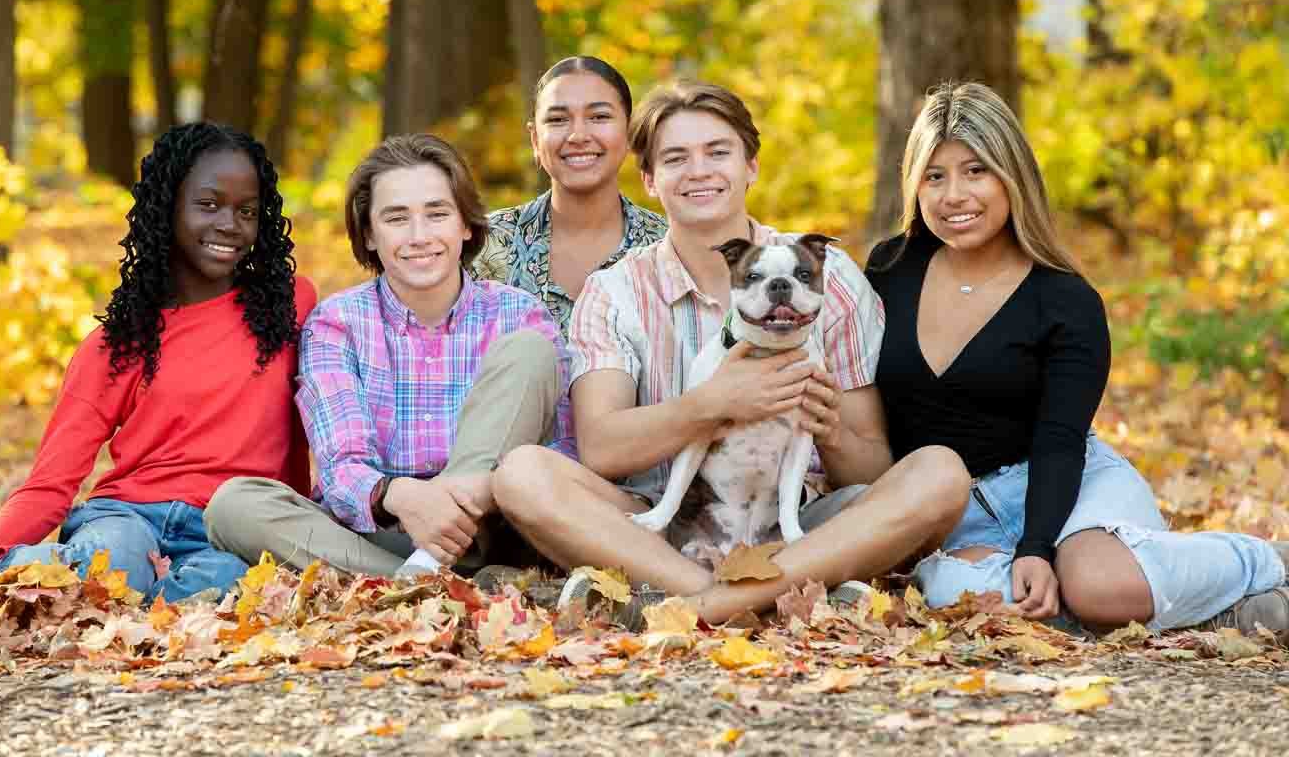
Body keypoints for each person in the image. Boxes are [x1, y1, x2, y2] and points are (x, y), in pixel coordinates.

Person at [491, 81, 971, 626]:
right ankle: (760, 597)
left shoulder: (826, 278)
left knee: (941, 473)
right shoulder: (615, 291)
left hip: (801, 522)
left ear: (751, 166)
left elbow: (871, 467)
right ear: (649, 179)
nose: (699, 171)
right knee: (521, 474)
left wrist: (829, 428)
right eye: (676, 158)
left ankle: (705, 607)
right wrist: (712, 403)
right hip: (663, 523)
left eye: (718, 152)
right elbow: (600, 448)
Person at [868, 80, 1288, 634]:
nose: (954, 196)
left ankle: (1271, 560)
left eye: (976, 171)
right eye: (934, 176)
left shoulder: (1066, 300)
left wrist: (1037, 545)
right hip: (956, 511)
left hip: (1071, 486)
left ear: (1012, 176)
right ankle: (1214, 610)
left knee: (1091, 581)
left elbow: (1060, 440)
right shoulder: (889, 271)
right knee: (951, 593)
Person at [0, 123, 316, 605]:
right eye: (208, 205)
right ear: (166, 208)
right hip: (127, 517)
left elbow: (315, 424)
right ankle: (20, 578)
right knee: (116, 565)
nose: (229, 224)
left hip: (227, 527)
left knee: (221, 583)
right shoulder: (117, 342)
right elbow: (51, 481)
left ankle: (137, 616)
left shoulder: (289, 306)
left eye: (246, 211)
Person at [205, 133, 575, 579]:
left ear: (466, 225)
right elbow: (343, 467)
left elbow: (561, 454)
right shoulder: (337, 324)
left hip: (495, 533)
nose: (420, 237)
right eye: (397, 218)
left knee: (528, 352)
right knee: (233, 506)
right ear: (370, 234)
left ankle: (405, 582)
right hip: (379, 532)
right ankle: (436, 584)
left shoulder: (521, 317)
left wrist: (461, 499)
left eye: (437, 214)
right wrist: (402, 497)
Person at [471, 55, 666, 334]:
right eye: (558, 119)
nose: (578, 135)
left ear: (630, 133)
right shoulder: (484, 246)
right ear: (535, 140)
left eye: (599, 117)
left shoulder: (667, 250)